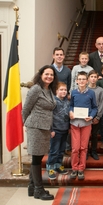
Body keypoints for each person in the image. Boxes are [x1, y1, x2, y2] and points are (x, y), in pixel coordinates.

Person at [22, 65, 58, 200]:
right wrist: (26, 124)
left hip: (44, 128)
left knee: (36, 158)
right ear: (41, 75)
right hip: (35, 127)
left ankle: (32, 186)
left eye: (51, 75)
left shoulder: (49, 90)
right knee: (37, 159)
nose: (49, 77)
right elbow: (26, 109)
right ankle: (38, 189)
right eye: (46, 74)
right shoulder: (35, 89)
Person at [69, 71, 98, 180]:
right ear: (76, 81)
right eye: (79, 79)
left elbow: (95, 107)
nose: (81, 81)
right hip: (75, 123)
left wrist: (91, 116)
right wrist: (70, 112)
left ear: (87, 81)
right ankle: (74, 168)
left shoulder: (91, 93)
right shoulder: (73, 92)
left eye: (83, 79)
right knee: (75, 148)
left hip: (86, 123)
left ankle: (81, 168)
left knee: (83, 147)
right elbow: (71, 105)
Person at [46, 82, 70, 180]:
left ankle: (58, 165)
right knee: (54, 151)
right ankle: (50, 168)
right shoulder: (53, 102)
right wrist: (51, 130)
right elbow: (49, 116)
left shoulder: (67, 102)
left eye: (65, 90)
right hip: (55, 130)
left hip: (64, 129)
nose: (64, 92)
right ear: (56, 91)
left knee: (61, 150)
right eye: (61, 90)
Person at [87, 70, 103, 160]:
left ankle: (93, 151)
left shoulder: (100, 90)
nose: (93, 79)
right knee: (86, 135)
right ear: (88, 78)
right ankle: (85, 152)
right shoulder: (85, 89)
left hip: (96, 116)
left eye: (95, 77)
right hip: (85, 117)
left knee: (94, 135)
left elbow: (101, 103)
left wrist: (98, 117)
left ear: (97, 78)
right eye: (91, 77)